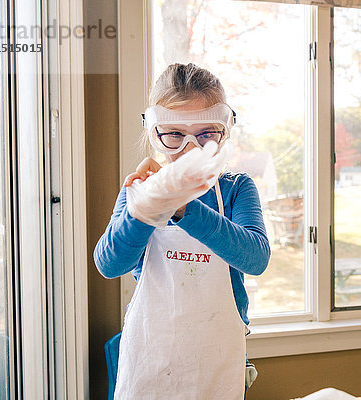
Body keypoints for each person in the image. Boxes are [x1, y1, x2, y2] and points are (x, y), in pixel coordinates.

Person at [94, 63, 271, 399]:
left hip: (218, 352)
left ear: (224, 132)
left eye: (206, 134)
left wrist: (183, 208)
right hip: (151, 351)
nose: (191, 148)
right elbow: (109, 264)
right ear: (154, 132)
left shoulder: (236, 188)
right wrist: (146, 205)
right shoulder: (142, 189)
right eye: (175, 134)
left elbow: (256, 259)